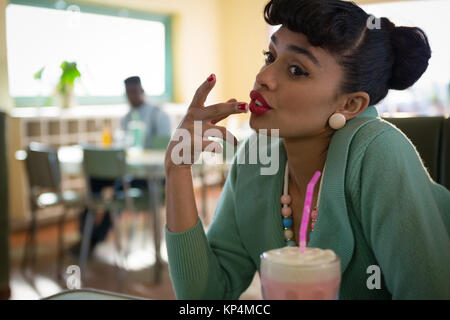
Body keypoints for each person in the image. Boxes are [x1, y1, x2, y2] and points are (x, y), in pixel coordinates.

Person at [164, 0, 450, 299]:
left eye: (297, 70)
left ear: (350, 105)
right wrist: (177, 171)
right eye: (269, 56)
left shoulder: (379, 151)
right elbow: (206, 297)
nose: (263, 77)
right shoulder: (258, 155)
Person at [71, 76, 172, 257]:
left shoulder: (158, 115)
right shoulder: (126, 118)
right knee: (95, 183)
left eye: (134, 91)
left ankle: (93, 239)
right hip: (128, 171)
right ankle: (86, 237)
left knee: (118, 192)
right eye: (128, 92)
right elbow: (123, 145)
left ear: (142, 91)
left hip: (150, 177)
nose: (132, 96)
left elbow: (165, 150)